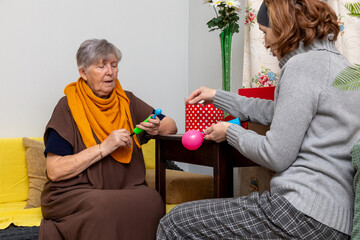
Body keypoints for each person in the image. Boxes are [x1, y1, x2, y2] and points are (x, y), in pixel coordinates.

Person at [157, 0, 360, 239]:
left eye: (265, 33)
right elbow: (279, 112)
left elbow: (276, 156)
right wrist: (218, 97)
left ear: (284, 26)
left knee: (174, 223)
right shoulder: (343, 68)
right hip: (333, 219)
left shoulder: (303, 67)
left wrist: (230, 132)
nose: (265, 43)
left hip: (301, 213)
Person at [39, 39, 177, 240]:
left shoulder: (126, 100)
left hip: (124, 188)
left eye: (114, 65)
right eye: (101, 65)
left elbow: (171, 126)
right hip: (72, 193)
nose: (110, 72)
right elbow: (55, 170)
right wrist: (104, 147)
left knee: (152, 200)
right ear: (83, 72)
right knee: (103, 205)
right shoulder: (67, 106)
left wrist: (156, 127)